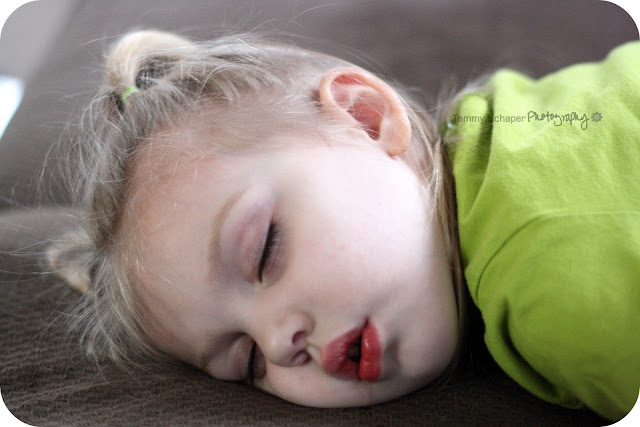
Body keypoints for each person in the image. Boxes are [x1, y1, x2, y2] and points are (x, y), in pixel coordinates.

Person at [46, 30, 639, 420]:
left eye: (265, 251)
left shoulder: (554, 288)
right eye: (247, 363)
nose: (279, 342)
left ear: (365, 117)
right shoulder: (511, 115)